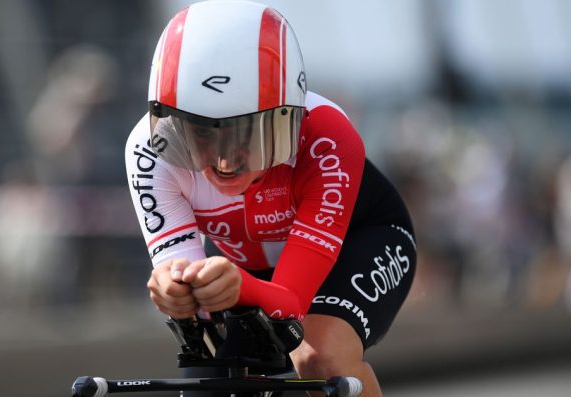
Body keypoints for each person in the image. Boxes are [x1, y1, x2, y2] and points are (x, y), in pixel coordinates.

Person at [125, 1, 416, 396]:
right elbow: (195, 300)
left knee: (319, 356)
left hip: (357, 242)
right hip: (241, 268)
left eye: (246, 135)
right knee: (209, 387)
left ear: (287, 120)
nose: (226, 162)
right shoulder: (149, 150)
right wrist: (174, 289)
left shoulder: (327, 135)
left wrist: (235, 286)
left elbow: (291, 302)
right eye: (203, 134)